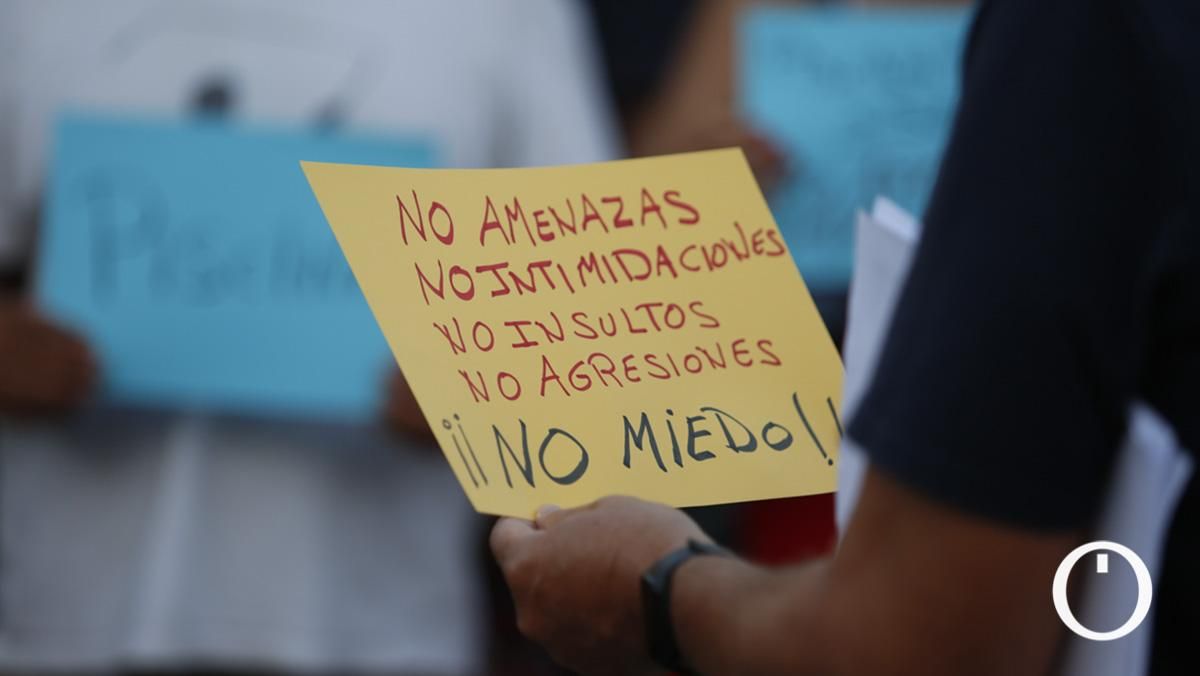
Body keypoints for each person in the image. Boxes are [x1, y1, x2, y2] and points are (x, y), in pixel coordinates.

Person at [490, 0, 1199, 674]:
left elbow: (919, 644)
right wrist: (689, 195)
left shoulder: (1084, 32)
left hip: (925, 517)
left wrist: (657, 585)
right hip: (796, 468)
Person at [0, 1, 614, 674]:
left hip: (381, 632)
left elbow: (590, 310)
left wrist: (490, 384)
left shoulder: (508, 13)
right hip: (61, 625)